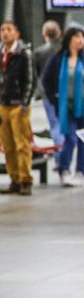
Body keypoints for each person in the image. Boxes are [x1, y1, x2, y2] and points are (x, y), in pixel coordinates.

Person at [41, 27, 84, 186]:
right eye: (77, 37)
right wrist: (54, 99)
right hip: (65, 107)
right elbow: (46, 80)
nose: (80, 40)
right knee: (70, 138)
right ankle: (64, 169)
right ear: (69, 40)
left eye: (82, 37)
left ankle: (81, 171)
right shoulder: (58, 59)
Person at [0, 21, 35, 196]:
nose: (5, 33)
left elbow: (30, 79)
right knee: (7, 145)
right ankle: (14, 179)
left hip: (18, 106)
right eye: (3, 30)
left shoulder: (24, 53)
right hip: (3, 105)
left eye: (9, 29)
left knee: (22, 144)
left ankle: (25, 180)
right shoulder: (1, 53)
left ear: (17, 33)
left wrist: (25, 103)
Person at [35, 20, 63, 146]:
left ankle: (60, 154)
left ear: (44, 34)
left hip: (48, 94)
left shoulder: (39, 53)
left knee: (54, 124)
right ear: (59, 33)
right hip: (66, 92)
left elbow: (37, 75)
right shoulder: (66, 51)